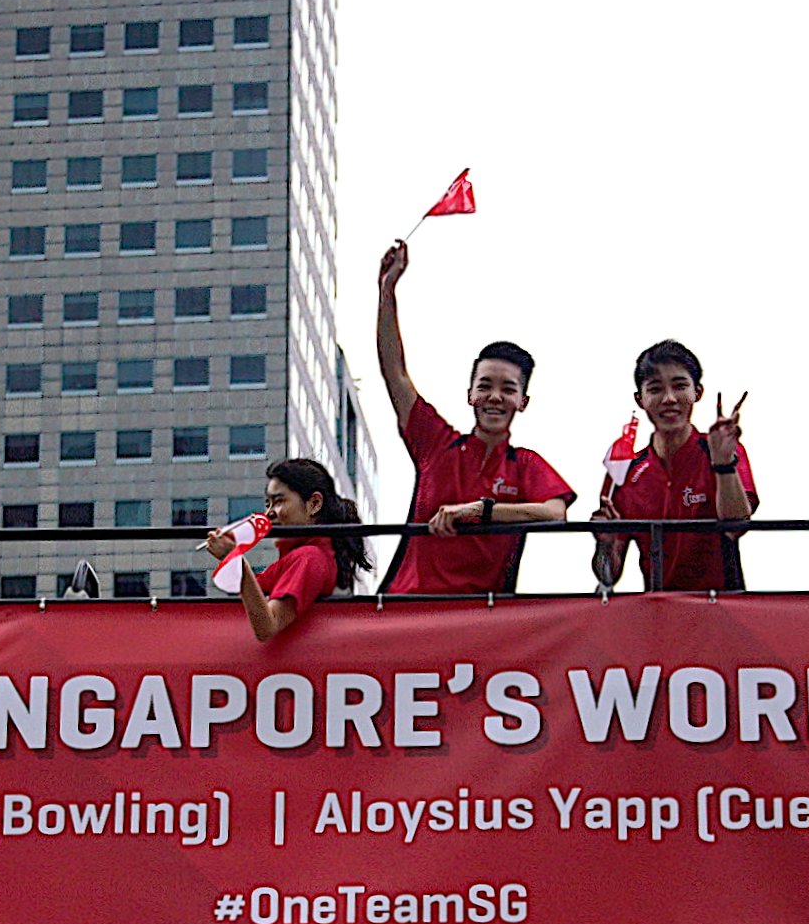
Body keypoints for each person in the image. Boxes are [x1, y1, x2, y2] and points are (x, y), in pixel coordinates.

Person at [368, 237, 575, 595]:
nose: (495, 397)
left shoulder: (525, 465)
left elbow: (555, 513)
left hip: (479, 619)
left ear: (523, 401)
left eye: (508, 389)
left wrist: (481, 510)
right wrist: (387, 291)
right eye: (485, 386)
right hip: (408, 608)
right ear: (470, 395)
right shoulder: (437, 444)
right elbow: (395, 373)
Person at [590, 340, 757, 594]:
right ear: (640, 399)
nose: (669, 399)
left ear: (697, 392)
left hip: (721, 612)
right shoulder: (623, 473)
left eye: (680, 386)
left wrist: (723, 463)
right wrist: (604, 544)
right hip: (658, 618)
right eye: (655, 389)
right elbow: (609, 575)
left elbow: (736, 528)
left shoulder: (722, 451)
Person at [210, 456, 373, 644]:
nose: (269, 514)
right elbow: (248, 588)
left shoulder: (309, 558)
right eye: (267, 504)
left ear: (314, 504)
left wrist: (235, 558)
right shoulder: (303, 557)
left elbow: (267, 626)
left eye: (278, 501)